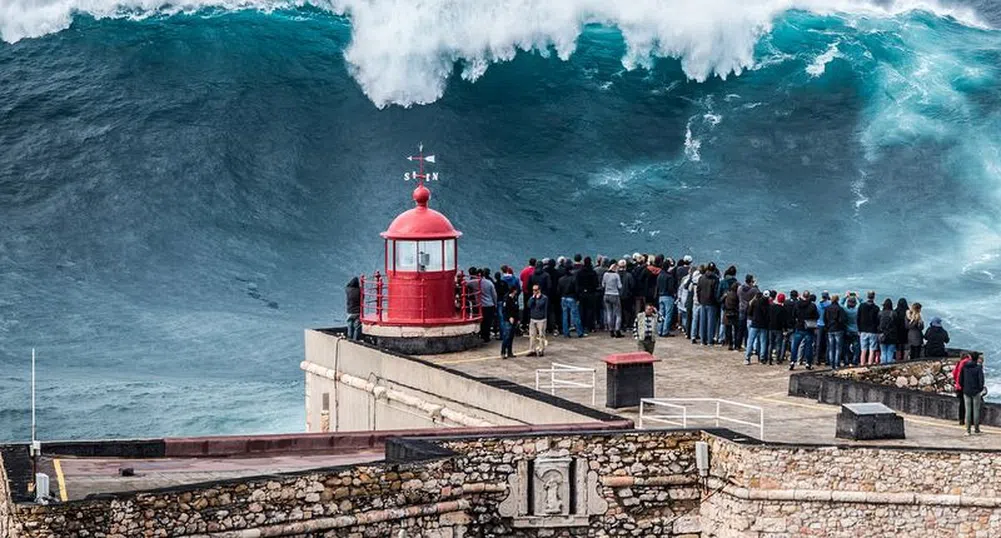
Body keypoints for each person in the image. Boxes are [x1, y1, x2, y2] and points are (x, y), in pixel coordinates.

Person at [790, 291, 819, 370]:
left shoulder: (797, 304)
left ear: (802, 296)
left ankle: (792, 361)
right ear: (809, 296)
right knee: (808, 346)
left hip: (799, 326)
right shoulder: (812, 306)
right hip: (808, 328)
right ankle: (808, 363)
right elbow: (816, 316)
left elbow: (793, 314)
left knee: (795, 346)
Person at [959, 354, 987, 435]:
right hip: (976, 391)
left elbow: (961, 379)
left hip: (966, 391)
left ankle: (967, 430)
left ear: (970, 358)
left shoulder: (965, 367)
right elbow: (981, 380)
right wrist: (980, 389)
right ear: (977, 359)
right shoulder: (978, 368)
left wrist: (964, 387)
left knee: (967, 411)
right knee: (976, 410)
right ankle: (976, 429)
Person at [697, 263, 721, 346]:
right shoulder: (715, 279)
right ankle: (710, 340)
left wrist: (700, 300)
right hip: (712, 303)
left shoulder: (701, 278)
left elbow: (698, 290)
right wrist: (717, 301)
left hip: (703, 302)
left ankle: (703, 340)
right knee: (711, 323)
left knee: (703, 321)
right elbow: (716, 293)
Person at [558, 269, 585, 338]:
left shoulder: (561, 279)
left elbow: (558, 290)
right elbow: (576, 290)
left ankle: (566, 333)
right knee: (575, 315)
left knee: (565, 316)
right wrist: (578, 298)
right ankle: (579, 332)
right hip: (572, 298)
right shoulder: (573, 279)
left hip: (563, 298)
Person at [576, 257, 600, 333]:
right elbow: (596, 284)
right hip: (591, 293)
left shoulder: (579, 272)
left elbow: (577, 283)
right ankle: (590, 326)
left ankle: (582, 326)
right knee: (590, 310)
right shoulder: (593, 272)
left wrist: (579, 292)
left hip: (582, 294)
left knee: (582, 310)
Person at [746, 291, 770, 365]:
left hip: (755, 323)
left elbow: (749, 312)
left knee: (750, 340)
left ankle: (747, 358)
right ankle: (762, 358)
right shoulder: (768, 305)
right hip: (764, 325)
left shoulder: (756, 303)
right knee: (763, 341)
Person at [824, 294, 847, 370]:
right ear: (837, 300)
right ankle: (837, 363)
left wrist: (827, 326)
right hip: (838, 329)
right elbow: (842, 320)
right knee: (838, 347)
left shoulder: (827, 308)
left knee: (831, 347)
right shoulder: (840, 309)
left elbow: (825, 319)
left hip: (830, 329)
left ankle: (831, 363)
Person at [857, 291, 880, 366]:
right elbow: (878, 320)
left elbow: (858, 318)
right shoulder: (876, 308)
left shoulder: (861, 306)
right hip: (873, 331)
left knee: (863, 350)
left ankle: (862, 364)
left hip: (863, 330)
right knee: (872, 350)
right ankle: (870, 365)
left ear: (867, 296)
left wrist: (859, 329)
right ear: (874, 297)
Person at [737, 274, 759, 351]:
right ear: (751, 281)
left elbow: (738, 296)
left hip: (741, 308)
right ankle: (747, 344)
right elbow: (758, 295)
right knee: (748, 329)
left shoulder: (739, 288)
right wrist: (755, 286)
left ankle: (738, 345)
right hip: (749, 310)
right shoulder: (753, 290)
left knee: (740, 328)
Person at [656, 259, 677, 337]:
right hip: (668, 296)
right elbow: (671, 288)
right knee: (668, 314)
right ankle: (665, 331)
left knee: (661, 314)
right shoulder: (669, 276)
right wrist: (674, 294)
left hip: (660, 296)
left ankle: (659, 330)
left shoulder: (659, 275)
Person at [603, 261, 624, 337]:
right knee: (618, 314)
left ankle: (611, 330)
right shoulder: (616, 275)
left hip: (606, 294)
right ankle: (617, 330)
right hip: (614, 294)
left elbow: (603, 284)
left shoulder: (605, 274)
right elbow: (620, 286)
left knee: (609, 312)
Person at [768, 293, 790, 364]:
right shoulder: (783, 309)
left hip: (771, 327)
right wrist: (785, 329)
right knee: (778, 344)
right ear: (783, 300)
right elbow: (784, 320)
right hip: (779, 328)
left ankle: (769, 359)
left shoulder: (771, 307)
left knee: (771, 343)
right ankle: (778, 359)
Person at [527, 284, 549, 357]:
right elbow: (529, 305)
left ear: (539, 290)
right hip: (533, 318)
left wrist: (537, 298)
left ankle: (541, 349)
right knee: (532, 335)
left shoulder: (544, 298)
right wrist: (533, 298)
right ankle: (532, 349)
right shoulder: (532, 298)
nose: (534, 292)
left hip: (541, 319)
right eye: (533, 290)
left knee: (541, 335)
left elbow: (539, 305)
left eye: (536, 290)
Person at [952, 353, 973, 426]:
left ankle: (961, 420)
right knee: (970, 403)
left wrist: (957, 383)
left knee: (962, 404)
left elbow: (954, 374)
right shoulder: (970, 363)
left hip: (960, 386)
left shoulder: (959, 363)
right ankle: (970, 420)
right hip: (969, 386)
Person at [500, 287, 519, 359]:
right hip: (508, 320)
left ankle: (509, 352)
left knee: (511, 336)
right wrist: (509, 317)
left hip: (514, 319)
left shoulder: (515, 298)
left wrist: (517, 319)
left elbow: (516, 309)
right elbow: (504, 310)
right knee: (506, 336)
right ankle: (503, 351)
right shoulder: (506, 298)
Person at [877, 298, 898, 365]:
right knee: (890, 352)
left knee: (883, 352)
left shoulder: (880, 313)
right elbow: (896, 324)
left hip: (882, 335)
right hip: (892, 335)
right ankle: (889, 365)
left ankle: (883, 365)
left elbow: (878, 323)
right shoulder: (894, 313)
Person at [843, 293, 860, 367]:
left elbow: (840, 303)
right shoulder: (857, 310)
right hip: (856, 330)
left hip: (847, 330)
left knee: (846, 347)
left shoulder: (846, 310)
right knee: (856, 347)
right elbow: (862, 304)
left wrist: (845, 297)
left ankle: (846, 361)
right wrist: (858, 297)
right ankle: (855, 361)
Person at [722, 283, 740, 351]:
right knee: (736, 330)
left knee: (728, 330)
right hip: (735, 313)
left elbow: (720, 300)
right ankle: (736, 345)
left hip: (727, 313)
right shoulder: (737, 295)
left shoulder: (727, 294)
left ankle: (730, 344)